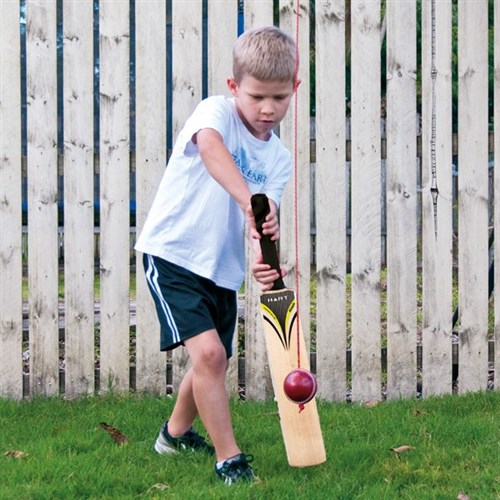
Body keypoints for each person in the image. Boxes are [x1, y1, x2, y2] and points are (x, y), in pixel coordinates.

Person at [135, 25, 298, 485]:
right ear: (234, 88)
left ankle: (174, 434)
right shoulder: (216, 114)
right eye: (257, 97)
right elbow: (210, 149)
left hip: (222, 269)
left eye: (280, 98)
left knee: (215, 357)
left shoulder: (279, 159)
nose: (268, 109)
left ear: (294, 89)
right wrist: (249, 199)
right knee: (209, 355)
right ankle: (230, 460)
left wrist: (268, 254)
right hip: (174, 252)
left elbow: (264, 220)